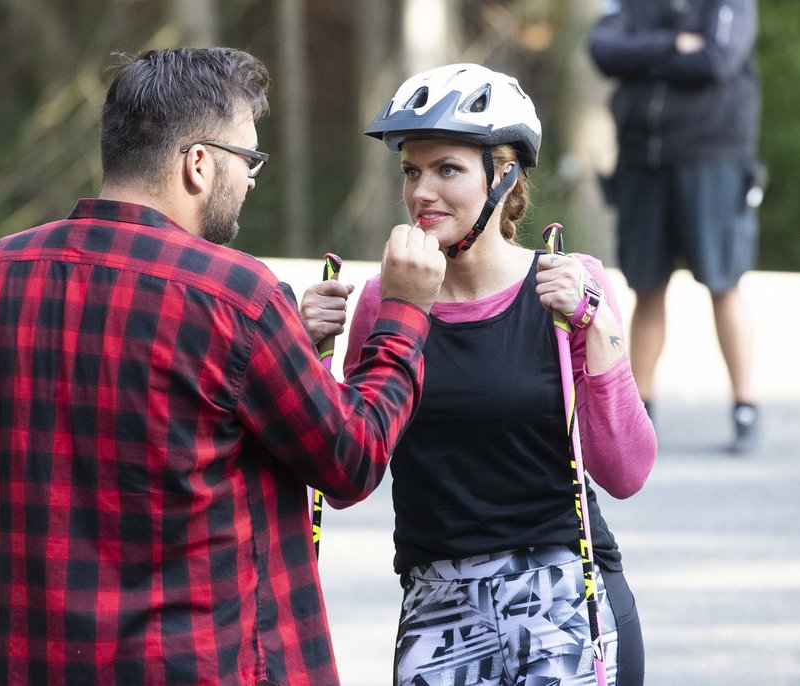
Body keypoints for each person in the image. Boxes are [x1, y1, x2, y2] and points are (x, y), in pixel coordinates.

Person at [0, 47, 445, 686]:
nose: (252, 178)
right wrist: (403, 315)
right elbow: (353, 458)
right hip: (204, 664)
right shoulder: (235, 298)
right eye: (248, 159)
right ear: (199, 164)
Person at [302, 64, 656, 685]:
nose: (421, 193)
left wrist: (595, 330)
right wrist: (310, 356)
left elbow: (625, 473)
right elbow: (345, 481)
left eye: (448, 169)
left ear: (506, 175)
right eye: (412, 170)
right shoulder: (389, 301)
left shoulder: (568, 286)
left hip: (565, 588)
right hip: (439, 606)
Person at [588, 0, 763, 454]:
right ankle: (640, 411)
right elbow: (604, 51)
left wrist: (641, 57)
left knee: (724, 284)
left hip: (712, 162)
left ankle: (745, 406)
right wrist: (671, 46)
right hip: (642, 164)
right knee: (646, 287)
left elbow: (716, 61)